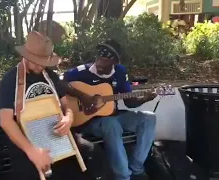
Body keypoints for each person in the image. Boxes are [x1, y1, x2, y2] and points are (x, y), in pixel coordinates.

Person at [62, 39, 157, 180]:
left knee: (149, 118)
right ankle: (123, 176)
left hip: (113, 115)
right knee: (111, 124)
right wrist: (82, 96)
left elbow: (129, 102)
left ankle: (136, 168)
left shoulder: (120, 72)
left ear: (115, 63)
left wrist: (145, 98)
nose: (100, 65)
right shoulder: (80, 72)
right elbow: (59, 83)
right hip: (89, 121)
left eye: (105, 62)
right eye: (99, 59)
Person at [0, 31, 74, 180]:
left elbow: (66, 105)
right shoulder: (10, 80)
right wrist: (32, 151)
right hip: (24, 143)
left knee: (91, 151)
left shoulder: (51, 76)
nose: (40, 66)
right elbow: (6, 121)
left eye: (44, 61)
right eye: (36, 61)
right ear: (25, 55)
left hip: (56, 138)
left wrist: (68, 118)